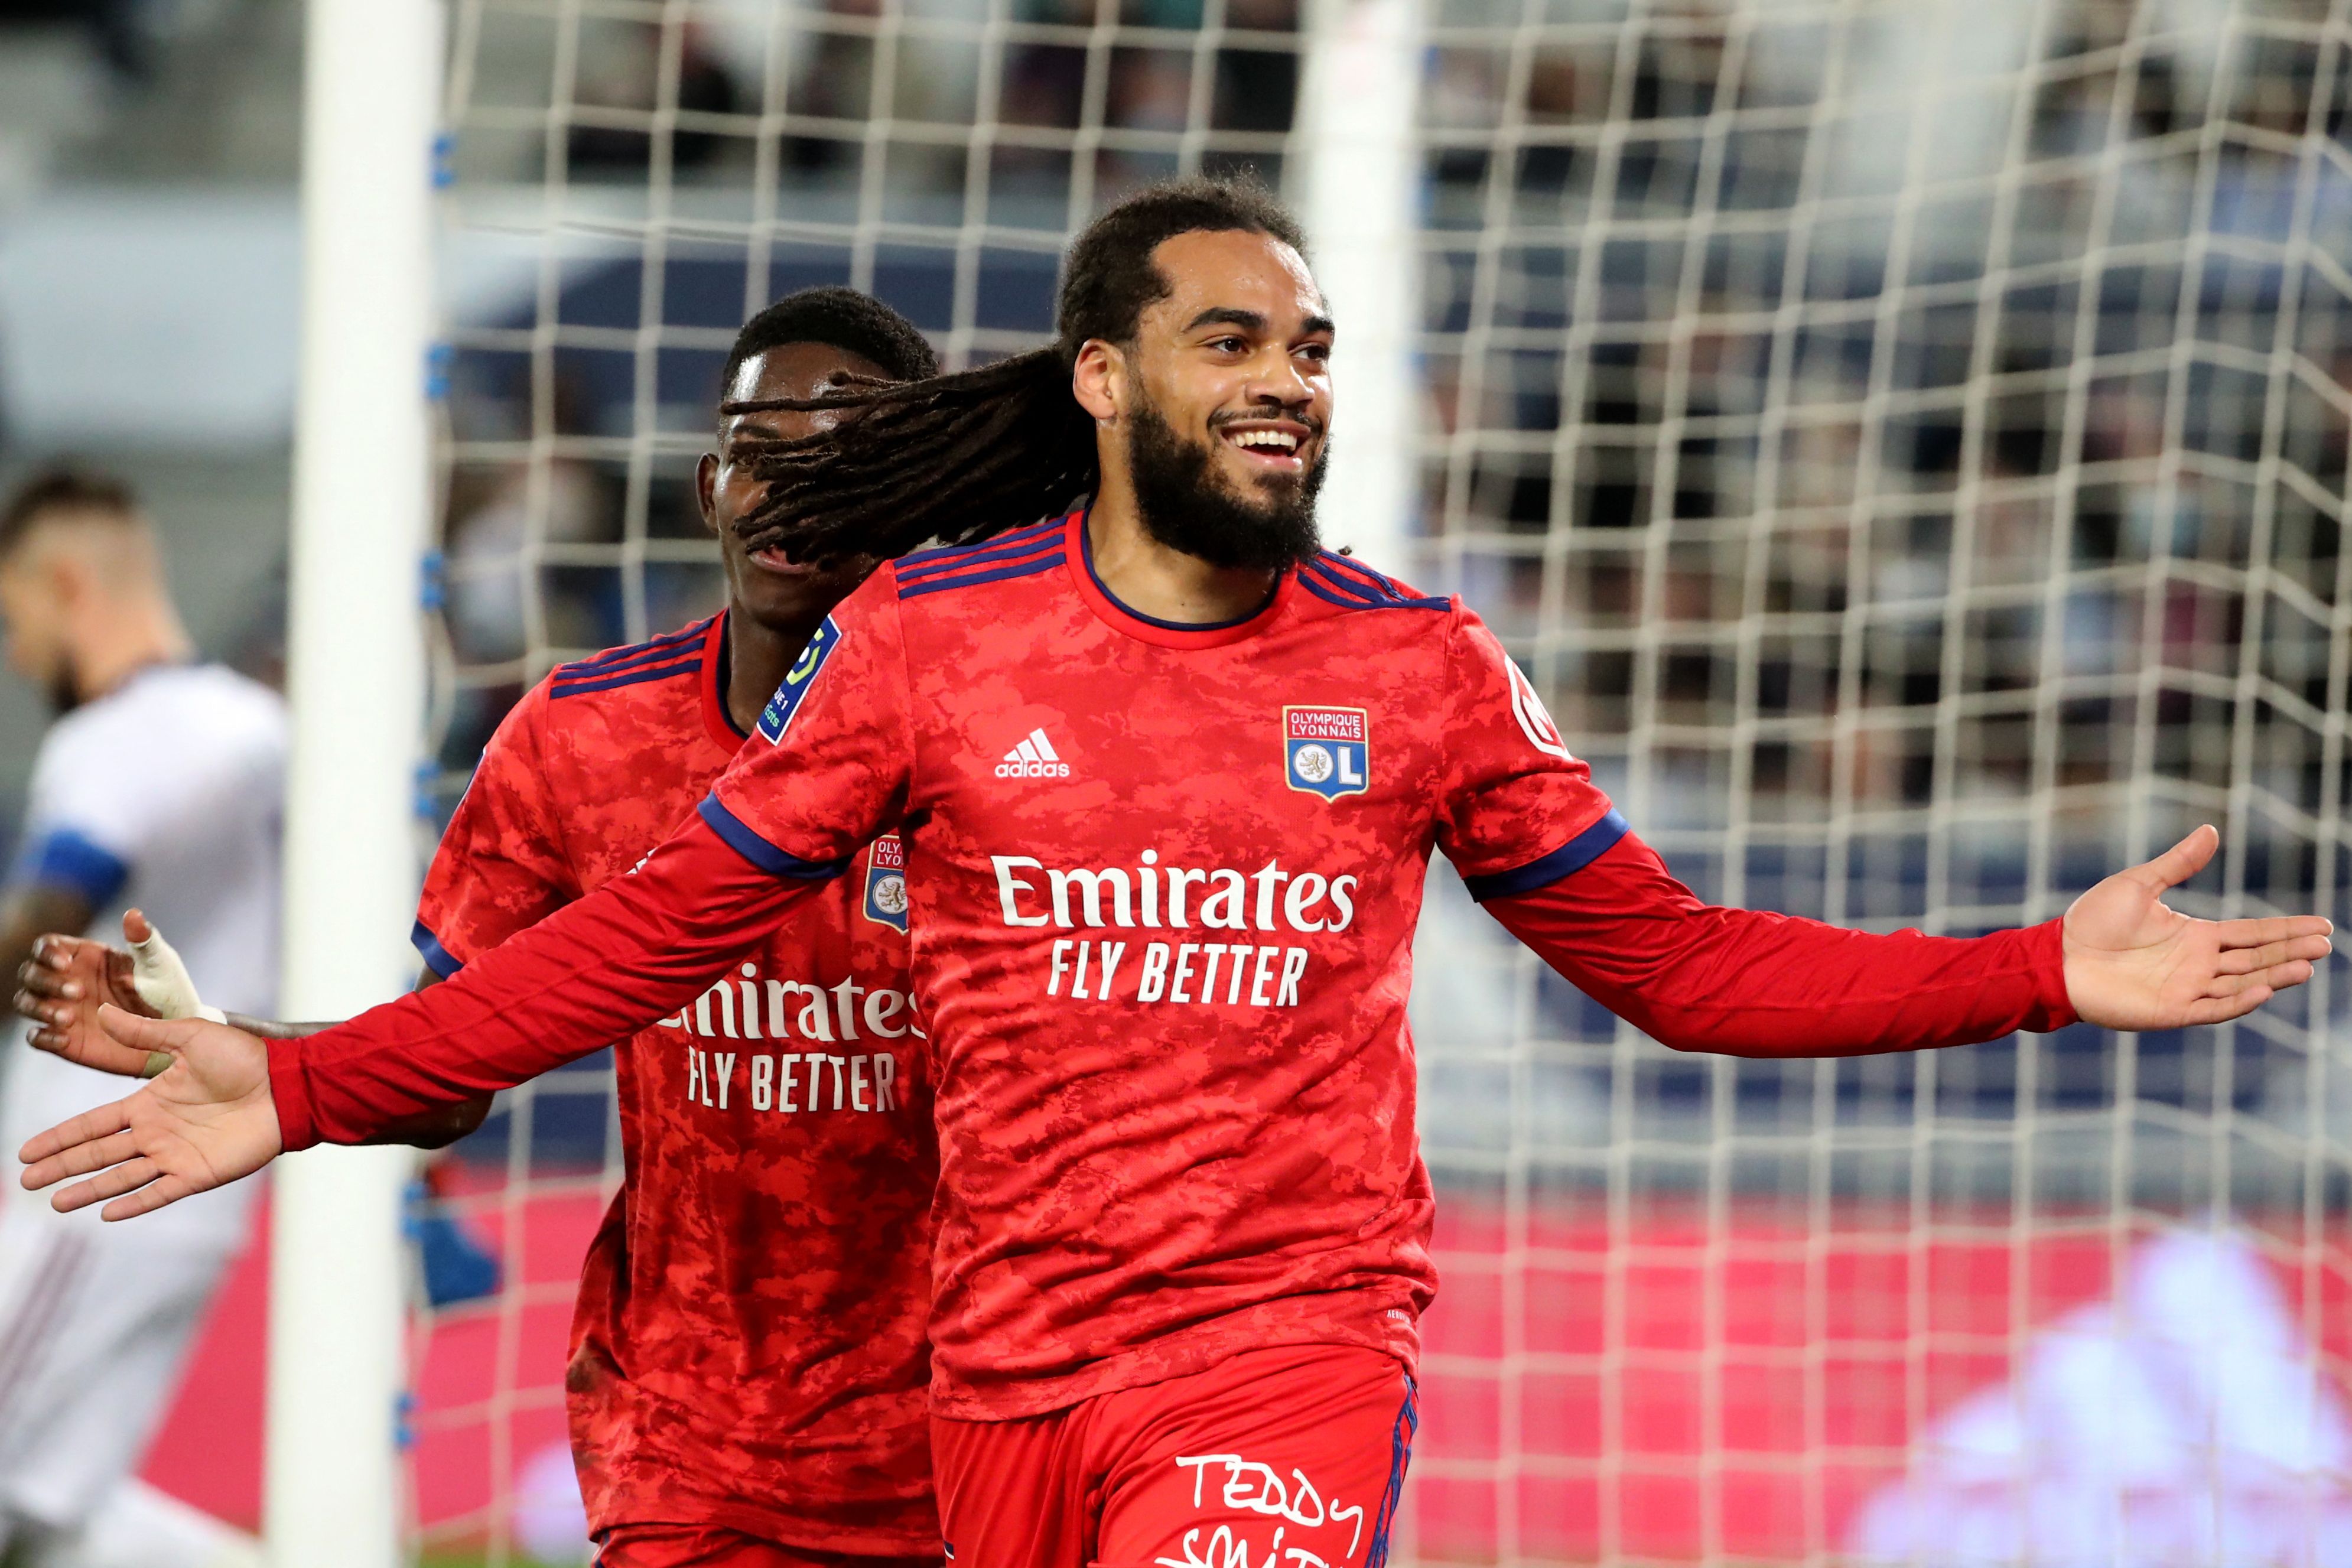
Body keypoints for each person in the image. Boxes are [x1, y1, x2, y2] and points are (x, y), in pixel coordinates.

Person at [19, 180, 2334, 1568]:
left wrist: (2035, 964)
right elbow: (644, 935)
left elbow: (1673, 963)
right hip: (988, 1396)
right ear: (1110, 380)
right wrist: (302, 1081)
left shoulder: (1417, 675)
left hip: (1280, 1353)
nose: (1286, 382)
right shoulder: (931, 658)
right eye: (1232, 340)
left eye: (1308, 349)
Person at [14, 289, 946, 1568]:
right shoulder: (582, 738)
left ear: (918, 492)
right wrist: (231, 1038)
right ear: (706, 484)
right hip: (685, 1439)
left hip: (960, 1434)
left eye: (844, 462)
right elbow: (450, 1063)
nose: (793, 494)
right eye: (761, 456)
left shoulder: (998, 757)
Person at [0, 470, 278, 1568]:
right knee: (54, 1519)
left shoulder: (121, 735)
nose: (19, 658)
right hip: (193, 1193)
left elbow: (46, 919)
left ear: (66, 583)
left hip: (89, 1186)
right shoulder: (265, 725)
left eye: (14, 621)